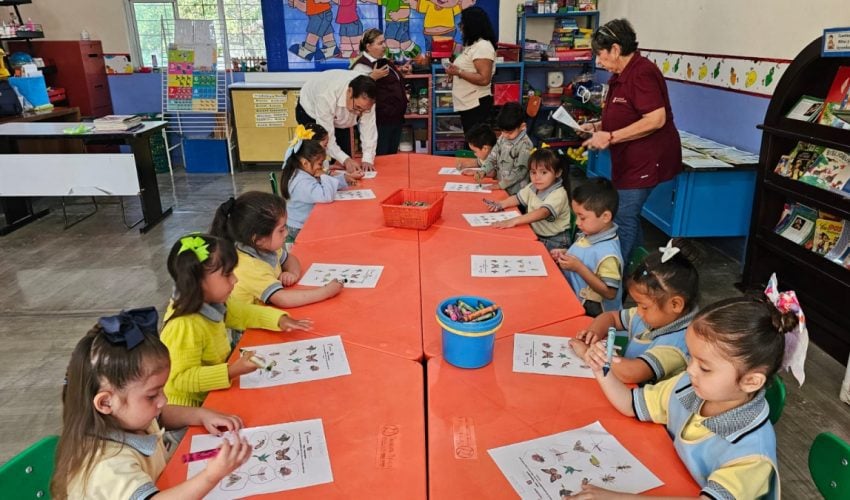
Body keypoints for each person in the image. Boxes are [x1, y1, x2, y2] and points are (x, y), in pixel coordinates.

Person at [576, 276, 809, 500]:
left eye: (704, 367)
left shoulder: (751, 454)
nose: (689, 369)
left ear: (751, 381)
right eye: (691, 358)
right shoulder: (690, 386)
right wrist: (600, 369)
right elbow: (631, 404)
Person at [51, 308, 251, 499]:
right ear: (106, 403)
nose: (163, 400)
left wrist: (201, 415)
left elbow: (161, 416)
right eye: (152, 395)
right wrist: (210, 476)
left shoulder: (129, 418)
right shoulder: (107, 465)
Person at [160, 234, 312, 407]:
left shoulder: (212, 301)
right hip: (188, 409)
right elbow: (181, 379)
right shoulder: (184, 325)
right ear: (198, 282)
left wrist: (279, 319)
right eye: (227, 274)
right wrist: (231, 371)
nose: (235, 279)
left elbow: (243, 312)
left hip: (213, 394)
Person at [580, 19, 682, 266]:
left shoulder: (642, 73)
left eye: (600, 54)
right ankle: (638, 268)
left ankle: (615, 276)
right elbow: (624, 114)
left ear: (616, 49)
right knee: (626, 215)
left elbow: (656, 119)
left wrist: (611, 136)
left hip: (646, 160)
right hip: (627, 160)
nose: (598, 61)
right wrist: (597, 127)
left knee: (623, 217)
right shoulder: (620, 75)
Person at [569, 239, 700, 385]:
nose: (638, 311)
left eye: (644, 306)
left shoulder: (677, 344)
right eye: (637, 304)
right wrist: (594, 333)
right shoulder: (655, 315)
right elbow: (610, 317)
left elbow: (631, 374)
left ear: (675, 304)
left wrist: (588, 353)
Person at [210, 191, 344, 308]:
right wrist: (325, 292)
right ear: (258, 239)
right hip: (248, 326)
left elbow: (290, 259)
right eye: (281, 230)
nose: (286, 233)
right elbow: (282, 299)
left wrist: (292, 273)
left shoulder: (265, 247)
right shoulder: (249, 267)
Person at [550, 177, 622, 317]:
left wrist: (578, 267)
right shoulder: (592, 232)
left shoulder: (609, 254)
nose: (577, 222)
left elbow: (610, 292)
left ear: (605, 217)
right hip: (572, 298)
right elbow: (585, 254)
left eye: (582, 217)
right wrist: (566, 254)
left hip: (592, 316)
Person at [280, 126, 357, 244]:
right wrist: (324, 175)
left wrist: (343, 180)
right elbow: (326, 196)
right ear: (305, 163)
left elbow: (321, 185)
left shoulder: (303, 173)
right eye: (319, 164)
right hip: (299, 228)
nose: (321, 168)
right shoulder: (301, 181)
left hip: (301, 222)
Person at [484, 148, 570, 251]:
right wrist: (500, 204)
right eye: (533, 172)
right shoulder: (532, 187)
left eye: (544, 172)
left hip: (555, 241)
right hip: (536, 233)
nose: (537, 177)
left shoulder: (559, 194)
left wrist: (513, 221)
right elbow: (517, 198)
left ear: (557, 173)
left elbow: (543, 212)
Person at [296, 70, 378, 172]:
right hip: (310, 111)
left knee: (345, 158)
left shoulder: (367, 99)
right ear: (349, 92)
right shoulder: (326, 95)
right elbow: (326, 136)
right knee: (315, 156)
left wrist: (367, 159)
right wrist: (345, 159)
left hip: (339, 115)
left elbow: (369, 128)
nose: (359, 113)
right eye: (357, 107)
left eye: (364, 110)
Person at [350, 28, 412, 155]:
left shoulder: (383, 60)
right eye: (380, 43)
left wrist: (400, 71)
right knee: (381, 156)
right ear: (368, 46)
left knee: (391, 157)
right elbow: (356, 91)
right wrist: (372, 77)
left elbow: (389, 82)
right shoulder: (361, 66)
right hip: (379, 122)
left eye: (384, 42)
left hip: (395, 118)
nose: (384, 46)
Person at [443, 6, 497, 135]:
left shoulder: (483, 46)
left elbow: (484, 79)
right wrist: (454, 72)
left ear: (471, 25)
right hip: (468, 104)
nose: (460, 27)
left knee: (476, 141)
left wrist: (459, 72)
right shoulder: (473, 46)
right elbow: (467, 69)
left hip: (476, 104)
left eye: (462, 24)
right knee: (471, 140)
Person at [473, 102, 534, 195]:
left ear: (522, 127)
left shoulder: (525, 145)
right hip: (501, 187)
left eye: (509, 132)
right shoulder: (503, 138)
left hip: (516, 193)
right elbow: (492, 157)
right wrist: (483, 171)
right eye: (502, 131)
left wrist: (500, 185)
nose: (505, 135)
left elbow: (520, 172)